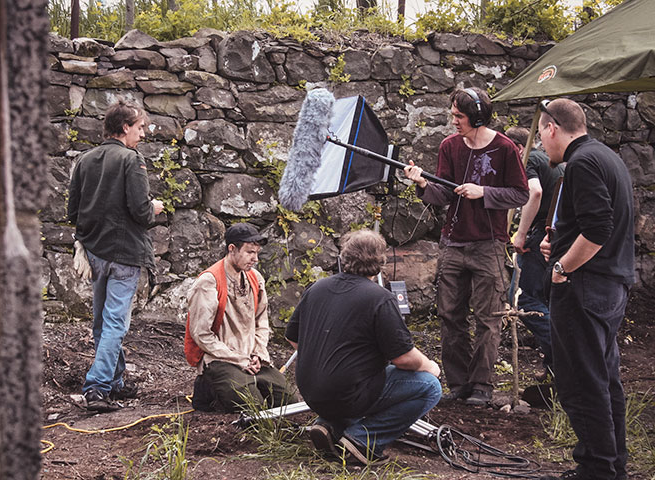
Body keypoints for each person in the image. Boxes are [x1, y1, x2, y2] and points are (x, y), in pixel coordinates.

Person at [404, 87, 529, 406]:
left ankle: (482, 384)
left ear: (476, 116)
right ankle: (459, 383)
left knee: (488, 316)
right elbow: (443, 194)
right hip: (453, 243)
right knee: (450, 314)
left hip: (488, 245)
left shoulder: (504, 148)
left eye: (458, 116)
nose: (453, 120)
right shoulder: (449, 146)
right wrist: (421, 184)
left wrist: (483, 192)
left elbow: (520, 194)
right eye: (453, 115)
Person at [284, 230, 441, 465]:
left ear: (343, 258)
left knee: (355, 380)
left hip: (310, 392)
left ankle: (330, 425)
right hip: (348, 393)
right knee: (429, 387)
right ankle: (362, 441)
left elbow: (293, 338)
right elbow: (404, 358)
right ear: (380, 263)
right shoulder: (380, 298)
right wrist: (431, 366)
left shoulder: (316, 288)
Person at [537, 99, 634, 480]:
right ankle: (612, 464)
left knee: (581, 380)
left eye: (543, 135)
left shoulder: (581, 163)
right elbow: (595, 224)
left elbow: (597, 228)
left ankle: (597, 468)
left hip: (586, 288)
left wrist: (562, 267)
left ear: (551, 128)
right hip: (609, 285)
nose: (543, 145)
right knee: (604, 378)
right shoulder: (607, 157)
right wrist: (558, 243)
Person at [68, 100, 164, 412]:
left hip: (95, 251)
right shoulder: (131, 159)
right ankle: (97, 389)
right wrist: (155, 208)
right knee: (114, 324)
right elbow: (141, 212)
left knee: (101, 321)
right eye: (140, 127)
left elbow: (73, 211)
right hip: (125, 254)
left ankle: (115, 381)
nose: (143, 134)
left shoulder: (85, 159)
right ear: (125, 128)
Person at [186, 223, 292, 413]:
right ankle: (208, 391)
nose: (255, 258)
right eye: (250, 252)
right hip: (220, 358)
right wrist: (238, 359)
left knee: (288, 400)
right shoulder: (208, 282)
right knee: (253, 407)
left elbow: (261, 321)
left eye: (257, 253)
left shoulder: (255, 278)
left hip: (250, 358)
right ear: (232, 249)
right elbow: (201, 334)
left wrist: (258, 354)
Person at [506, 126, 564, 378]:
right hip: (556, 236)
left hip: (541, 235)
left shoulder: (528, 158)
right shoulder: (549, 162)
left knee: (521, 297)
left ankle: (564, 357)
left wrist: (521, 234)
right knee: (546, 299)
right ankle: (555, 365)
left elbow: (535, 192)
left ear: (518, 147)